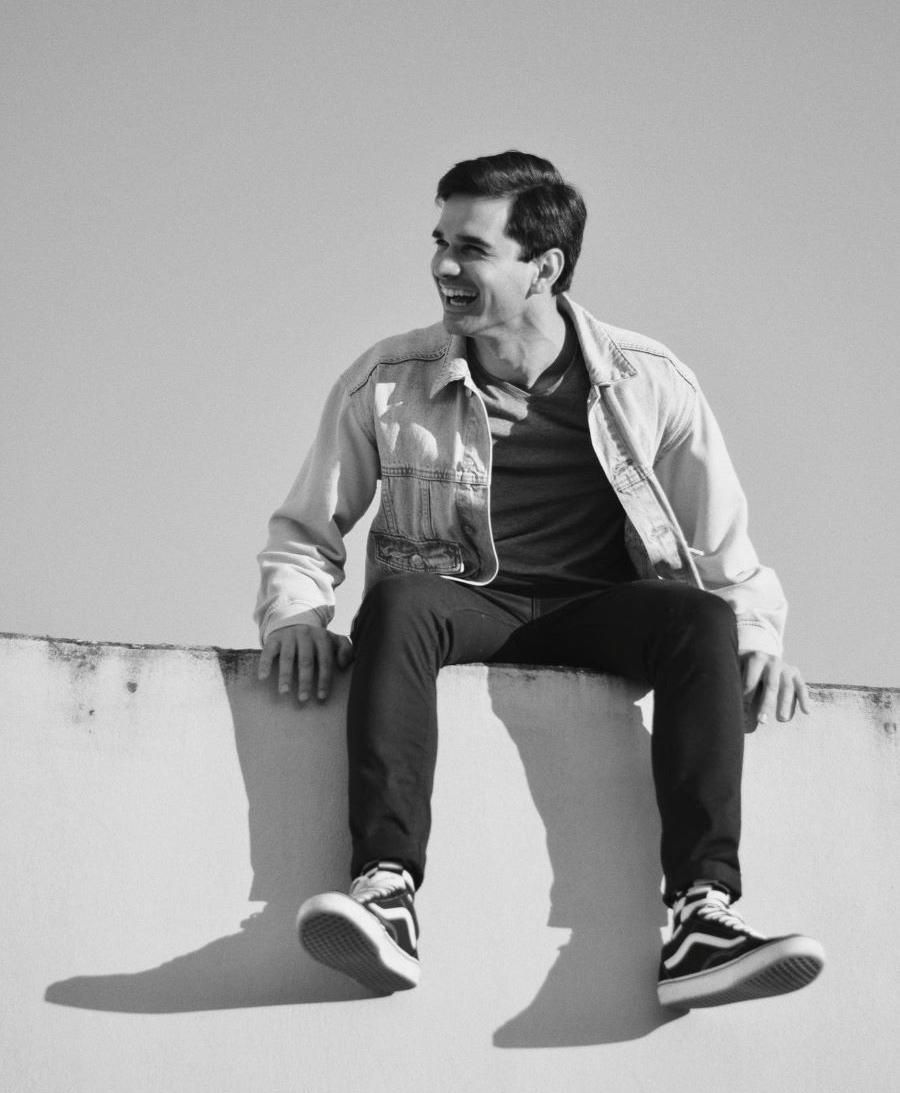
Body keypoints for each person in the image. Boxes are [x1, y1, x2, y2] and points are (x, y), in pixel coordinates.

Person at [254, 150, 825, 1009]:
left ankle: (703, 917)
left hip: (594, 611)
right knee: (399, 603)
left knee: (699, 620)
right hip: (464, 601)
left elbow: (723, 547)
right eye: (441, 241)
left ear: (544, 267)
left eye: (472, 249)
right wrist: (297, 615)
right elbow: (308, 527)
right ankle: (386, 892)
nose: (445, 267)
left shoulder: (648, 380)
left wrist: (755, 639)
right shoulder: (390, 380)